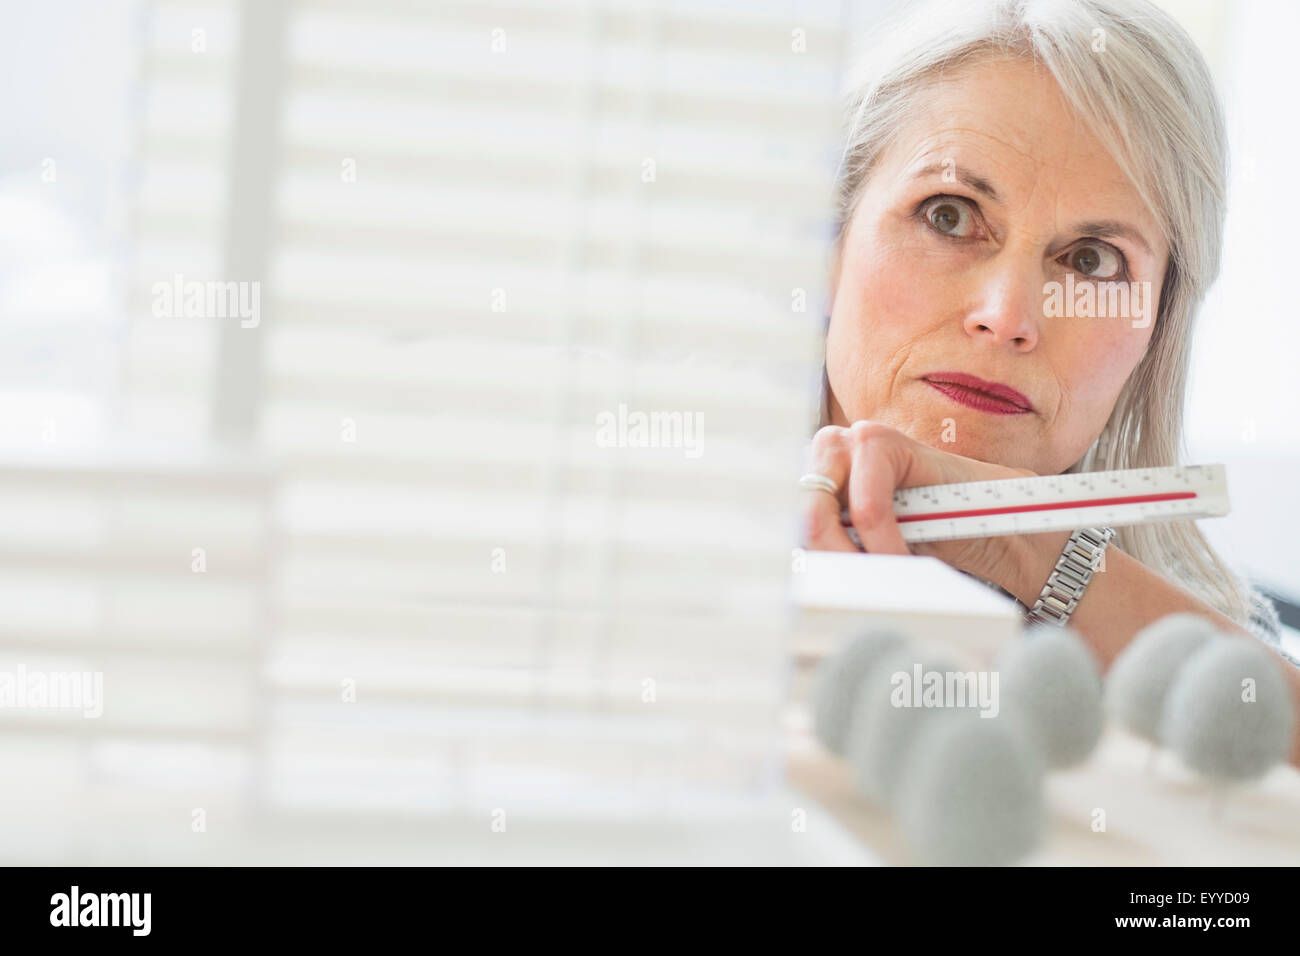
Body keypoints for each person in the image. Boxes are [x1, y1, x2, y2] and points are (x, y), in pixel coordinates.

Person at [799, 0, 1300, 759]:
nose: (1008, 317)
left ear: (1155, 332)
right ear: (829, 242)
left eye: (1091, 261)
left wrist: (1024, 542)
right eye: (949, 214)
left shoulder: (1211, 630)